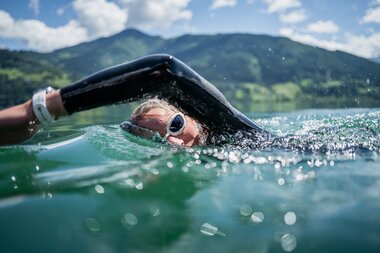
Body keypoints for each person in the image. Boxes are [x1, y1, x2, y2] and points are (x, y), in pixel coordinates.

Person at [0, 54, 272, 147]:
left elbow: (164, 72)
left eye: (175, 125)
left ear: (195, 117)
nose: (173, 142)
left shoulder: (231, 130)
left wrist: (39, 110)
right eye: (158, 139)